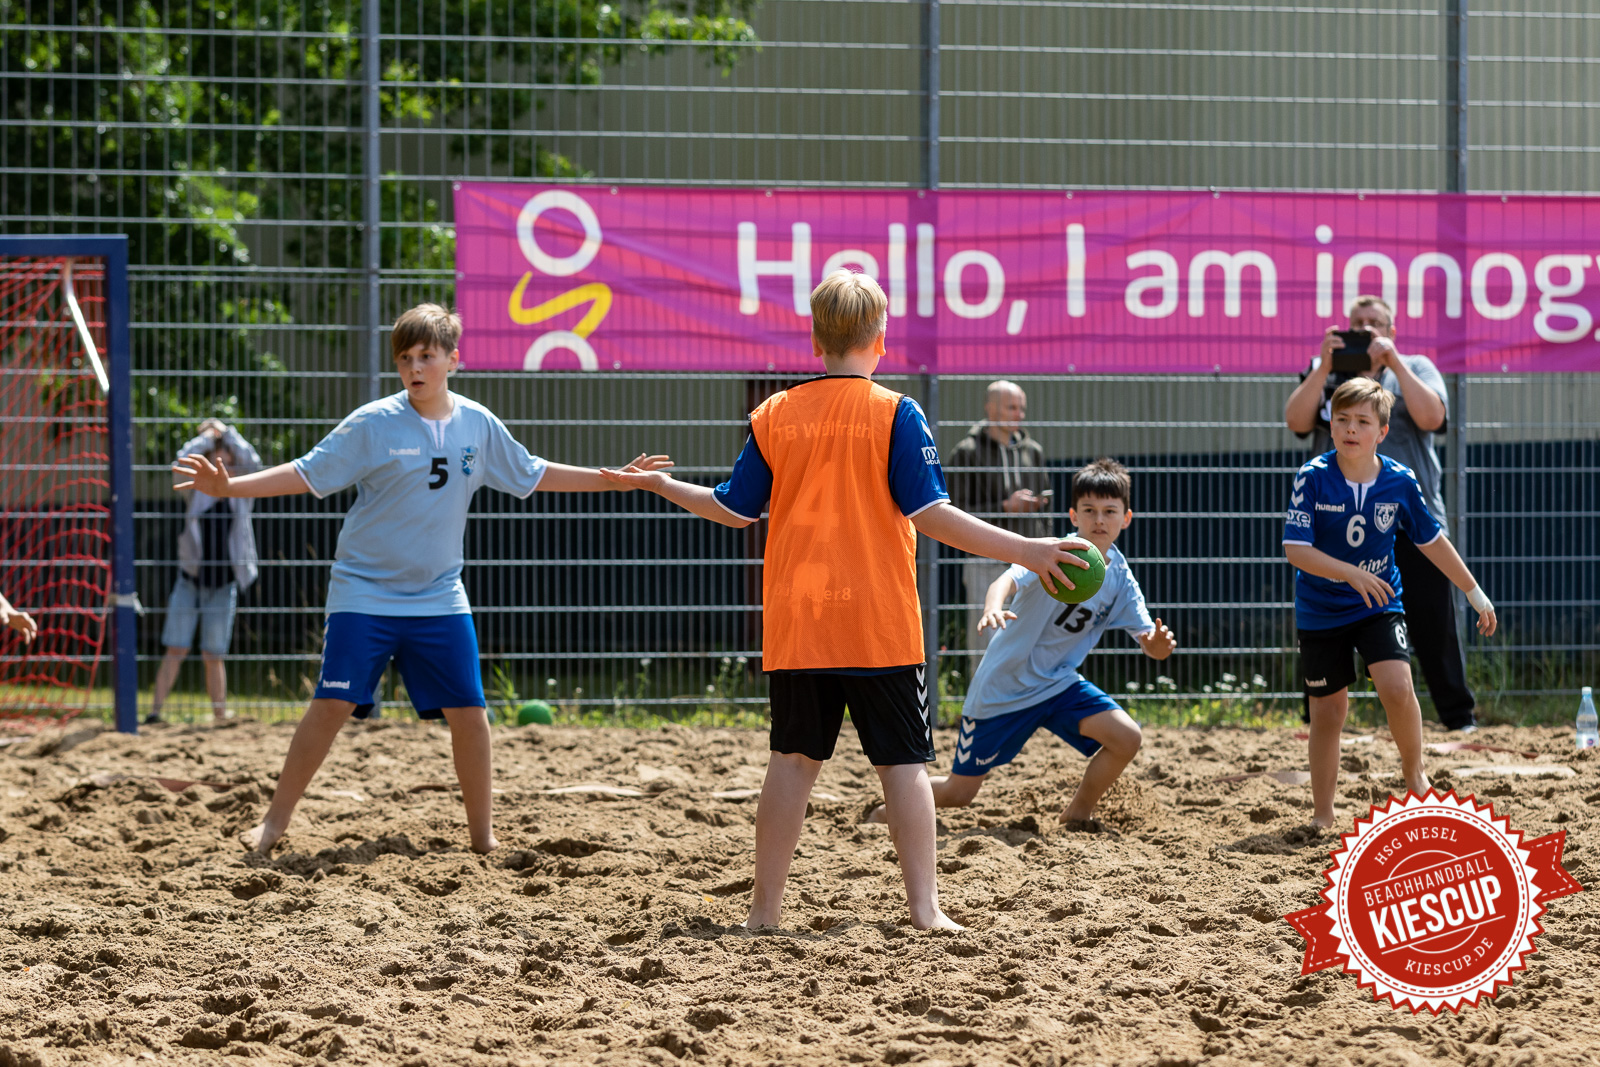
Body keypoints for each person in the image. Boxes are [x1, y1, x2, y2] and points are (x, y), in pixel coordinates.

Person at [601, 270, 1093, 932]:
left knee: (792, 762)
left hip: (800, 622)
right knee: (904, 766)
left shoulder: (775, 413)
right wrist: (1028, 550)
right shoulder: (896, 413)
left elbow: (731, 508)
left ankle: (763, 913)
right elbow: (932, 514)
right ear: (881, 340)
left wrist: (662, 485)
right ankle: (925, 910)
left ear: (814, 339)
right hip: (877, 623)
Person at [173, 304, 670, 855]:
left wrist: (612, 480)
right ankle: (273, 824)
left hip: (439, 595)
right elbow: (306, 472)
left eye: (426, 356)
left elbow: (533, 472)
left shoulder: (477, 424)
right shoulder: (373, 423)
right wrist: (230, 488)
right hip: (364, 591)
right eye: (405, 358)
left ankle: (483, 840)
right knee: (332, 705)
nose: (414, 367)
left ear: (453, 360)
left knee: (471, 714)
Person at [868, 458, 1175, 829]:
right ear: (1073, 515)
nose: (1099, 520)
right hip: (1003, 688)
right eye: (1089, 510)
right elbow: (1005, 581)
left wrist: (1158, 644)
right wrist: (993, 607)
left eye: (1109, 511)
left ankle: (1077, 814)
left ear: (1126, 518)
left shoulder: (1121, 579)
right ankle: (882, 813)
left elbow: (1148, 641)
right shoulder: (1055, 550)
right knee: (959, 793)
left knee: (1127, 738)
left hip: (1057, 683)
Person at [1283, 378, 1496, 829]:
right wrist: (1350, 572)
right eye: (1342, 419)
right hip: (1321, 607)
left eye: (1363, 422)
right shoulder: (1313, 477)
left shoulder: (1400, 480)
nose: (1351, 429)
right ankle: (1323, 815)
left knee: (1397, 688)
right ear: (1330, 424)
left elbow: (1432, 540)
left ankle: (1415, 775)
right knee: (1328, 711)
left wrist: (1474, 592)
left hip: (1378, 601)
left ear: (1382, 432)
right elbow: (1296, 550)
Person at [1283, 296, 1477, 732]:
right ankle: (1317, 714)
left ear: (1392, 331)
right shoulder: (1326, 371)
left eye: (1374, 324)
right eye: (1357, 323)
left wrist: (1392, 362)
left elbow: (1433, 417)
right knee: (1324, 610)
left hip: (1406, 515)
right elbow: (1296, 421)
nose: (1364, 329)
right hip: (1338, 523)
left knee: (1432, 619)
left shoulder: (1416, 367)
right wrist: (1324, 366)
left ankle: (1457, 715)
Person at [148, 419, 262, 724]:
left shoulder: (242, 493)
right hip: (191, 582)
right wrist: (208, 438)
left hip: (224, 585)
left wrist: (227, 432)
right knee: (176, 647)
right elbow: (182, 462)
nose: (223, 469)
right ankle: (154, 713)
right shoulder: (196, 492)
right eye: (216, 463)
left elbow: (253, 462)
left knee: (213, 653)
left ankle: (219, 717)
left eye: (229, 464)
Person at [945, 380, 1052, 658]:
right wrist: (1005, 506)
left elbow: (1046, 506)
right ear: (990, 409)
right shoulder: (967, 452)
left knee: (1031, 643)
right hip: (985, 560)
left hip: (1028, 561)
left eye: (1022, 408)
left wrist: (1037, 507)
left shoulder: (1033, 451)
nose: (1020, 414)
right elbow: (954, 513)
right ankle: (982, 689)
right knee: (987, 645)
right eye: (1012, 407)